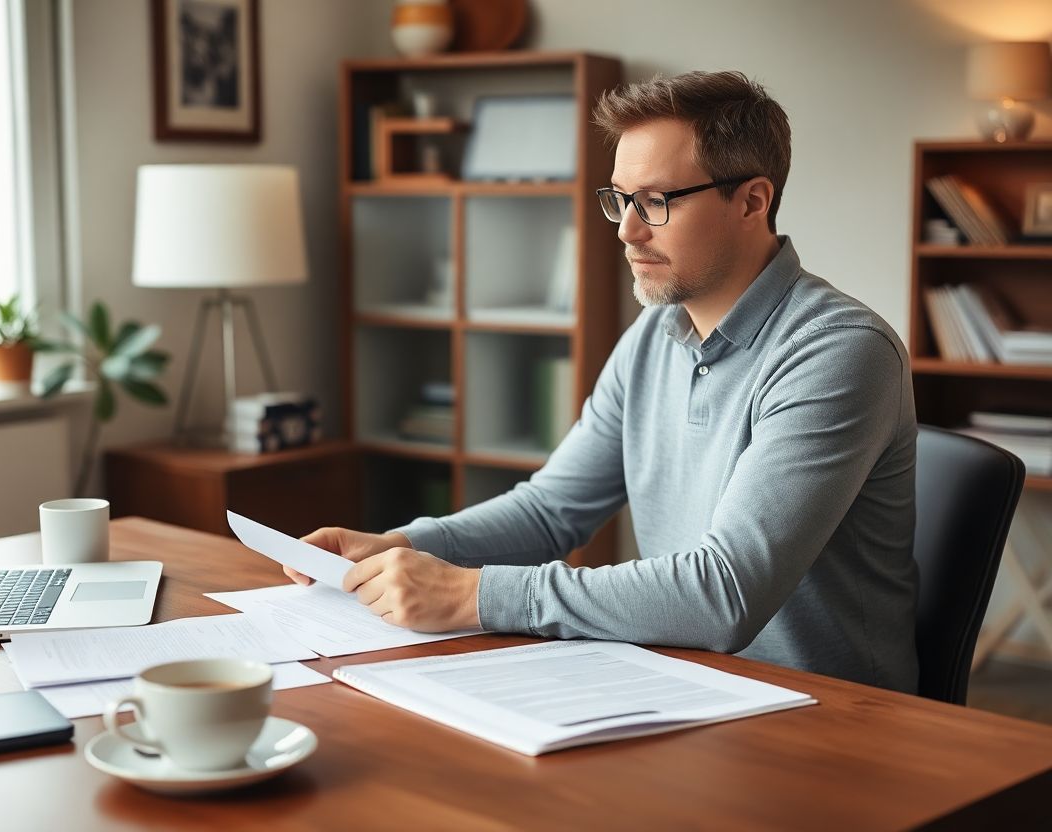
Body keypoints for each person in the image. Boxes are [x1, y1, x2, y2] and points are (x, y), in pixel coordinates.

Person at [289, 71, 919, 693]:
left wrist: (474, 594)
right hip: (690, 685)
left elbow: (724, 593)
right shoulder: (655, 335)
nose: (626, 230)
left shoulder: (837, 352)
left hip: (829, 719)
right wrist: (402, 546)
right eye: (619, 198)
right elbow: (550, 511)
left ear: (752, 201)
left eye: (656, 202)